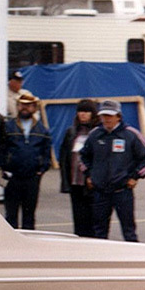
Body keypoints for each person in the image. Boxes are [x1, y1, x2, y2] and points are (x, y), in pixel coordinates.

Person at [79, 100, 145, 242]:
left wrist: (136, 176)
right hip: (100, 192)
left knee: (129, 232)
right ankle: (101, 262)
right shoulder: (95, 135)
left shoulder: (131, 134)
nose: (106, 119)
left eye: (110, 115)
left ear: (118, 116)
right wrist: (89, 175)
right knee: (99, 232)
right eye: (104, 115)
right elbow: (83, 156)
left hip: (122, 191)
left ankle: (133, 262)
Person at [1, 93, 51, 229]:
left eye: (28, 105)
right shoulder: (8, 127)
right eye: (22, 104)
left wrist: (41, 170)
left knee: (29, 216)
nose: (25, 108)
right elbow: (1, 149)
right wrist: (5, 168)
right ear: (17, 106)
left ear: (34, 108)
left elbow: (47, 153)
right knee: (11, 215)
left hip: (32, 178)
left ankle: (29, 246)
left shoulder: (42, 130)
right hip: (13, 177)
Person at [59, 99, 99, 237]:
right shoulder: (71, 132)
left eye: (87, 111)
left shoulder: (97, 132)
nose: (83, 114)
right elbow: (64, 158)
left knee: (94, 220)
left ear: (93, 114)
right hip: (75, 182)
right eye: (80, 111)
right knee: (79, 219)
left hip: (92, 183)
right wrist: (65, 182)